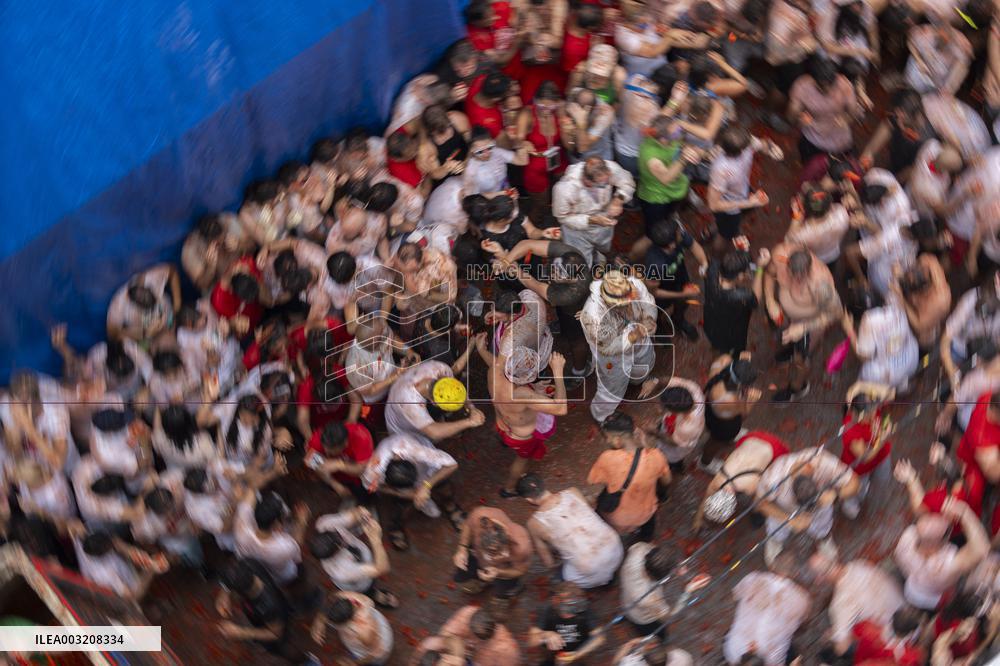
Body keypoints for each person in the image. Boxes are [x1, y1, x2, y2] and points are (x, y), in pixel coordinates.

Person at [478, 336, 568, 496]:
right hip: (520, 436)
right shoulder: (520, 394)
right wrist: (558, 372)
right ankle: (509, 489)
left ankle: (504, 441)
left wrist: (481, 350)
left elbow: (494, 363)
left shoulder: (494, 371)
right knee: (521, 460)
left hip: (502, 424)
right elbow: (561, 409)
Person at [755, 446, 861, 566]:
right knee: (776, 528)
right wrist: (790, 520)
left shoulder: (823, 462)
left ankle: (823, 538)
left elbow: (855, 483)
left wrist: (835, 495)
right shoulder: (773, 479)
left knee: (823, 521)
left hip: (821, 506)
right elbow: (760, 504)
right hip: (782, 509)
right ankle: (775, 541)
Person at [764, 245, 844, 402]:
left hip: (810, 325)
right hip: (787, 318)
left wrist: (803, 327)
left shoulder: (821, 285)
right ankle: (790, 350)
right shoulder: (780, 255)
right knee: (786, 340)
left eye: (801, 278)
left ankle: (797, 388)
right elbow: (768, 273)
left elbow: (836, 313)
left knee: (801, 360)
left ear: (809, 271)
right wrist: (770, 300)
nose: (795, 281)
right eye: (792, 275)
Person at [518, 473, 624, 589]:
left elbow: (548, 561)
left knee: (561, 577)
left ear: (528, 499)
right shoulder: (572, 492)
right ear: (544, 485)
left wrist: (555, 567)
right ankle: (610, 577)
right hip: (615, 548)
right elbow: (588, 510)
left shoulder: (534, 523)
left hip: (589, 568)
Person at [580, 270, 658, 423]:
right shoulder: (592, 314)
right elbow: (607, 347)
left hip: (641, 343)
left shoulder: (634, 284)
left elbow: (648, 303)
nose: (629, 303)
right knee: (611, 388)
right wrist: (633, 335)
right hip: (614, 357)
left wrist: (649, 318)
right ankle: (601, 416)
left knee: (643, 364)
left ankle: (637, 380)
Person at [361, 432, 462, 550]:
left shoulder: (415, 452)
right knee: (400, 505)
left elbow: (452, 465)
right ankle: (395, 525)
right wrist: (401, 493)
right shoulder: (373, 471)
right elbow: (371, 485)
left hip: (424, 467)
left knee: (443, 486)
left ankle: (449, 504)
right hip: (399, 487)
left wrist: (426, 486)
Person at [217, 558, 320, 665]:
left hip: (277, 629)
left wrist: (241, 632)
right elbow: (230, 578)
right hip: (261, 619)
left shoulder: (269, 607)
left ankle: (307, 661)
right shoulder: (247, 564)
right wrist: (224, 594)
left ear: (240, 592)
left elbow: (275, 634)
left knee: (285, 649)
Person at [893, 498, 990, 611]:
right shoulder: (947, 564)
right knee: (944, 605)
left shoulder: (907, 537)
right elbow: (982, 550)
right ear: (944, 540)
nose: (936, 516)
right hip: (936, 595)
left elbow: (920, 509)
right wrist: (965, 513)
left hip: (913, 588)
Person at [588, 412, 671, 539]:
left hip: (618, 519)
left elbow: (592, 481)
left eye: (607, 437)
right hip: (646, 512)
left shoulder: (608, 458)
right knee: (648, 527)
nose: (607, 440)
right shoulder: (656, 455)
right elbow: (667, 480)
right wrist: (646, 446)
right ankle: (645, 539)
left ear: (617, 440)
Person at [722, 555, 811, 666]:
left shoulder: (751, 578)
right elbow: (803, 624)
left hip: (735, 651)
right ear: (795, 573)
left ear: (771, 566)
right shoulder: (802, 599)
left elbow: (735, 595)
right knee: (789, 646)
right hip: (772, 660)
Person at [693, 431, 790, 531]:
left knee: (767, 485)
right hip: (750, 437)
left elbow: (760, 499)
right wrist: (697, 519)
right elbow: (706, 499)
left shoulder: (749, 487)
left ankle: (757, 515)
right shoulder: (718, 480)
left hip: (772, 446)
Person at [707, 125, 781, 251]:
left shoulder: (745, 141)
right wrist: (748, 203)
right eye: (748, 144)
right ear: (740, 150)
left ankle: (717, 226)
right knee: (725, 237)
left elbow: (762, 144)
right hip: (729, 209)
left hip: (743, 193)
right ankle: (716, 258)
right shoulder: (721, 170)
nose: (752, 143)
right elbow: (713, 205)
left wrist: (772, 147)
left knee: (732, 223)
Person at [552, 155, 635, 267]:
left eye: (608, 181)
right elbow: (562, 217)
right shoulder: (565, 188)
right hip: (577, 230)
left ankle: (598, 256)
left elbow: (627, 181)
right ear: (587, 181)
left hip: (604, 219)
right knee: (581, 261)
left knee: (603, 247)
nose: (607, 184)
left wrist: (618, 200)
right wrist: (592, 220)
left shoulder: (609, 168)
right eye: (603, 184)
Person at [311, 506, 397, 609]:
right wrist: (376, 539)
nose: (341, 536)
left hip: (361, 557)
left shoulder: (324, 524)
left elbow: (355, 513)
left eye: (336, 533)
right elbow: (382, 568)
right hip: (357, 582)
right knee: (366, 587)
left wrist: (363, 515)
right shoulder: (342, 571)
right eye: (340, 540)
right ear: (336, 551)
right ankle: (373, 594)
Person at [384, 360, 486, 446]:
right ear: (434, 403)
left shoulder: (440, 369)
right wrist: (469, 422)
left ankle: (445, 426)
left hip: (404, 393)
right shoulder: (409, 402)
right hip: (400, 422)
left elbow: (457, 389)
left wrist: (471, 408)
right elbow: (434, 432)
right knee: (424, 440)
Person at [641, 218, 708, 342]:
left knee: (684, 302)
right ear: (671, 245)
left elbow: (694, 246)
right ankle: (659, 326)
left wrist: (704, 263)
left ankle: (678, 320)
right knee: (657, 310)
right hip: (663, 290)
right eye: (678, 232)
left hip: (680, 278)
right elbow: (653, 292)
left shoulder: (679, 236)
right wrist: (683, 293)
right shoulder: (655, 264)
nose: (681, 232)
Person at [842, 289, 920, 393]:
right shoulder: (894, 298)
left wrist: (849, 330)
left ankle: (874, 395)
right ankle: (903, 384)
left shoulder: (868, 320)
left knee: (866, 371)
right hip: (912, 358)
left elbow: (864, 357)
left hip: (890, 374)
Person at [787, 56, 861, 164]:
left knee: (843, 166)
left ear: (835, 78)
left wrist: (846, 119)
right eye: (821, 86)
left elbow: (853, 111)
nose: (827, 90)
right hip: (813, 135)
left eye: (831, 86)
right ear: (813, 80)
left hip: (838, 135)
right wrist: (797, 116)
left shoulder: (845, 85)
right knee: (811, 166)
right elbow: (791, 116)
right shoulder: (802, 87)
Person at [637, 116, 701, 234]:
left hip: (674, 188)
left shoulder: (669, 137)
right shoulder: (651, 158)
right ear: (662, 139)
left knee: (669, 212)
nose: (678, 133)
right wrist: (683, 159)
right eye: (675, 133)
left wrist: (692, 150)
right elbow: (666, 179)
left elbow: (681, 144)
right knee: (655, 228)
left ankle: (670, 217)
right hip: (657, 197)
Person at [700, 353, 762, 472]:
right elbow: (744, 413)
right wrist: (751, 401)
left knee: (718, 436)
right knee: (716, 441)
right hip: (723, 424)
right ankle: (705, 462)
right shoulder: (731, 400)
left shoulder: (724, 360)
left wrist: (743, 365)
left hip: (711, 408)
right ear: (741, 385)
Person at [452, 506, 533, 597]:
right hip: (477, 556)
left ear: (508, 540)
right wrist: (462, 548)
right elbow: (468, 525)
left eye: (498, 553)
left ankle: (511, 591)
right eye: (490, 554)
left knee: (506, 589)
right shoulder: (479, 515)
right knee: (464, 572)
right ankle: (480, 581)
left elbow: (520, 570)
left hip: (503, 569)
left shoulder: (521, 546)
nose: (492, 558)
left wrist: (498, 572)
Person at [702, 246, 766, 355]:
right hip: (733, 332)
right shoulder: (740, 296)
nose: (749, 273)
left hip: (710, 323)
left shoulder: (713, 268)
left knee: (717, 343)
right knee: (735, 350)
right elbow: (755, 300)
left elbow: (741, 269)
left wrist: (742, 253)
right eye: (747, 272)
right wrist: (760, 268)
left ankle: (718, 349)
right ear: (740, 276)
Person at [639, 376, 706, 475]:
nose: (659, 409)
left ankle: (673, 468)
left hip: (677, 446)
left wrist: (654, 432)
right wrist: (655, 381)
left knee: (670, 460)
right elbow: (668, 380)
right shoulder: (693, 389)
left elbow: (673, 442)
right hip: (675, 431)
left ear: (675, 412)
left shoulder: (688, 427)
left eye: (664, 407)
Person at [530, 581, 607, 666]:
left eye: (574, 608)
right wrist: (545, 634)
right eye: (565, 608)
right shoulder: (546, 609)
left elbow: (599, 639)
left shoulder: (584, 609)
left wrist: (576, 655)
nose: (571, 613)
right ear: (555, 601)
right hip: (551, 655)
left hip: (576, 654)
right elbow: (531, 641)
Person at [311, 592, 394, 666]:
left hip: (376, 649)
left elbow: (376, 653)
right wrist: (319, 621)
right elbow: (332, 599)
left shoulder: (365, 632)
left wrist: (355, 663)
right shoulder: (346, 598)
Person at [439, 605, 521, 665]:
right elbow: (445, 634)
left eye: (482, 637)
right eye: (476, 634)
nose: (475, 640)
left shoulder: (507, 649)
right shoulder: (467, 613)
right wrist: (457, 653)